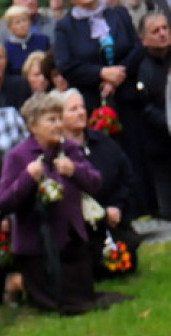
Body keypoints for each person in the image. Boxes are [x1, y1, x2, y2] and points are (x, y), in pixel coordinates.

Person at [0, 91, 126, 314]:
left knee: (83, 300)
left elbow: (95, 182)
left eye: (58, 119)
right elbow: (3, 201)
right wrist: (28, 178)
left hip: (71, 239)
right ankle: (18, 281)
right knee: (59, 305)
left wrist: (74, 170)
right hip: (38, 246)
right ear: (33, 126)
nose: (57, 125)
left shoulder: (70, 149)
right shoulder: (18, 156)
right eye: (50, 120)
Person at [53, 0, 151, 213]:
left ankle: (142, 208)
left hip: (125, 97)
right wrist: (101, 74)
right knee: (104, 155)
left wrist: (118, 74)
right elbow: (65, 64)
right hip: (91, 102)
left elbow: (136, 47)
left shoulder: (118, 14)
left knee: (134, 150)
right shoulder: (65, 26)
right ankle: (111, 209)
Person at [60, 88, 141, 276]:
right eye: (73, 109)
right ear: (59, 116)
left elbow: (126, 176)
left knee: (126, 260)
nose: (81, 112)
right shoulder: (58, 151)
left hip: (113, 220)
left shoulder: (103, 141)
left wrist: (117, 206)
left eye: (81, 107)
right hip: (81, 227)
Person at [136, 10, 171, 220]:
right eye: (155, 31)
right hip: (161, 149)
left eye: (165, 28)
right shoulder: (143, 69)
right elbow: (147, 108)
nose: (162, 34)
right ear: (144, 39)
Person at [2, 6, 52, 77]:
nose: (22, 25)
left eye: (24, 20)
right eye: (17, 22)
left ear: (30, 22)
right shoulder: (5, 49)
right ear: (10, 27)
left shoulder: (43, 41)